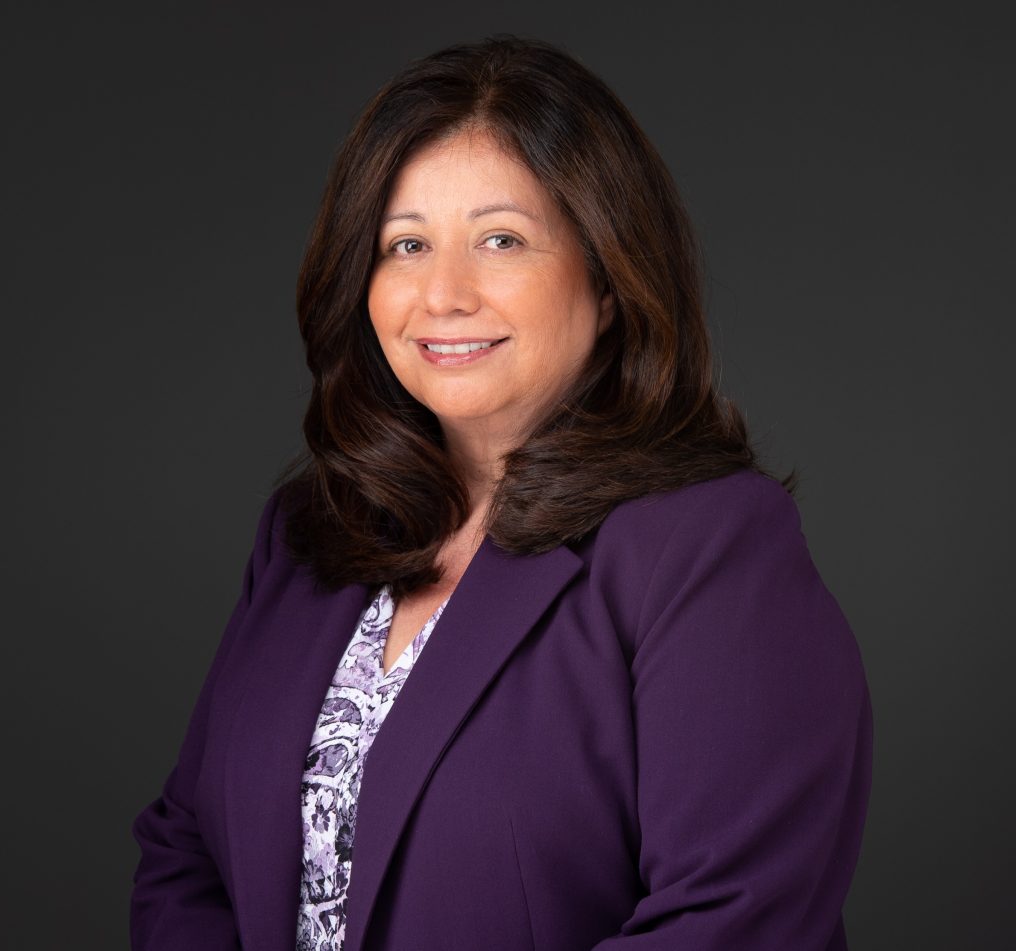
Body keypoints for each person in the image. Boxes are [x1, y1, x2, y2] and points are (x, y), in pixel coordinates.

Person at [131, 35, 872, 951]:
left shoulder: (708, 545)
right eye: (406, 244)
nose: (443, 293)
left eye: (501, 240)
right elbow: (185, 849)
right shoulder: (305, 534)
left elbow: (734, 919)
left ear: (608, 279)